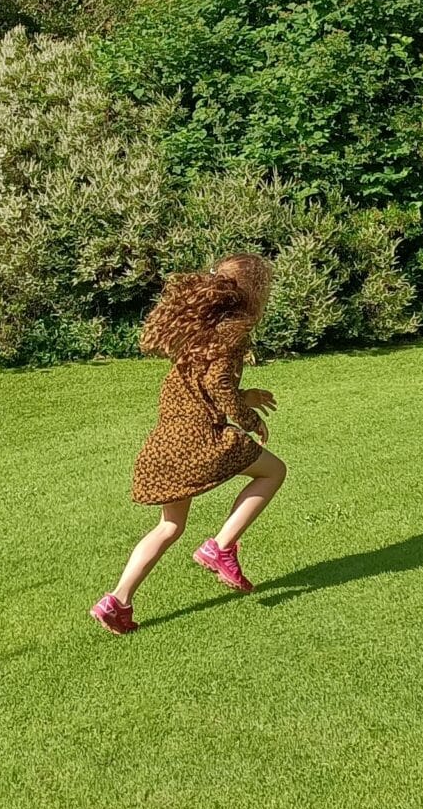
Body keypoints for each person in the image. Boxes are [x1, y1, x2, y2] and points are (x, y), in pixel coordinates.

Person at [92, 253, 285, 635]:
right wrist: (248, 419)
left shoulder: (199, 329)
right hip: (199, 442)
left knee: (169, 526)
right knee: (274, 471)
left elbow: (202, 386)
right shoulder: (233, 331)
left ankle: (116, 601)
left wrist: (244, 395)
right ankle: (221, 547)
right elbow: (217, 385)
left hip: (165, 445)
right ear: (253, 290)